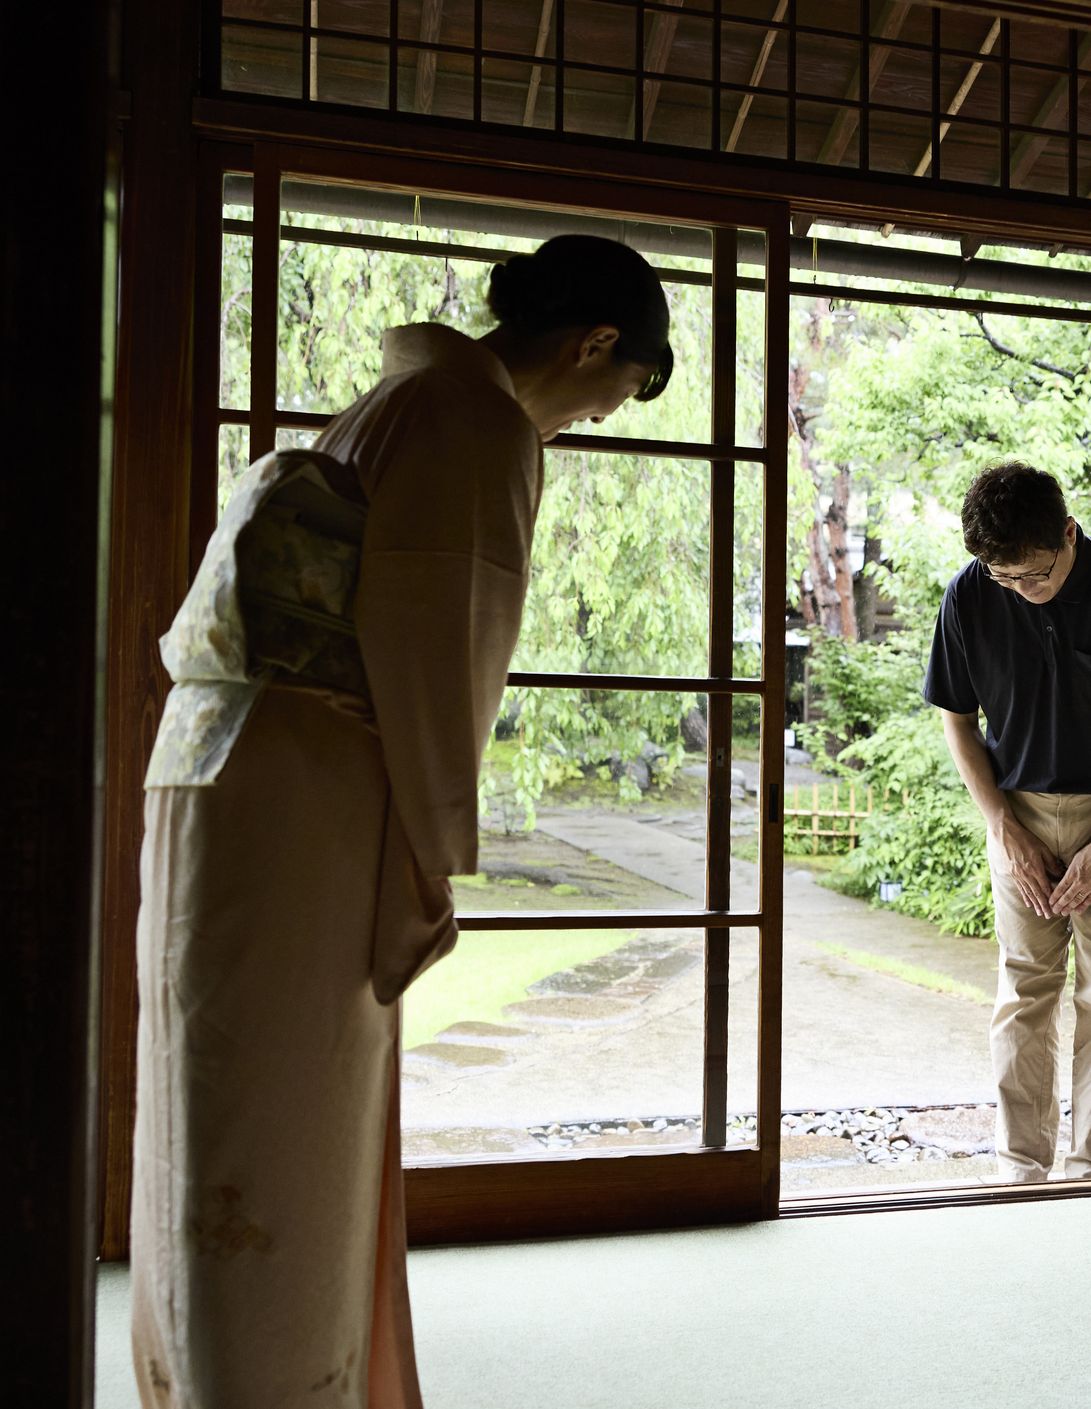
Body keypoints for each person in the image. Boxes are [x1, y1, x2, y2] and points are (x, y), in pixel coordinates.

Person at [130, 235, 674, 1408]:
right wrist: (427, 864)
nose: (596, 413)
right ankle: (275, 1383)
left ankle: (203, 1375)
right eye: (619, 387)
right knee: (286, 1113)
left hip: (215, 769)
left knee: (209, 1086)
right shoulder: (477, 425)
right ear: (595, 344)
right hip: (309, 791)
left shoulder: (387, 401)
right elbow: (439, 663)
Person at [923, 461, 1091, 1183]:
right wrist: (1001, 827)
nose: (1020, 590)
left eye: (1035, 575)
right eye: (1004, 577)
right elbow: (957, 720)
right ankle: (1020, 1162)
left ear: (1068, 534)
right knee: (1023, 991)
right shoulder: (968, 594)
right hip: (1014, 811)